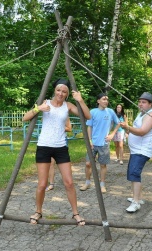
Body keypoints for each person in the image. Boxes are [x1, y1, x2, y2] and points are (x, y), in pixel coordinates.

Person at [22, 78, 91, 225]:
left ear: (67, 94)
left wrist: (81, 100)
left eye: (64, 91)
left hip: (61, 147)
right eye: (59, 90)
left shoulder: (68, 106)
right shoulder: (45, 103)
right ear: (54, 90)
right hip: (44, 146)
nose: (61, 93)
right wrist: (37, 109)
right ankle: (38, 211)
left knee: (69, 183)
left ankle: (75, 213)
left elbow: (87, 116)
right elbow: (25, 118)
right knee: (42, 184)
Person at [120, 92, 152, 213]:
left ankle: (136, 202)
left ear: (150, 104)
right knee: (133, 174)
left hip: (142, 151)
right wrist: (129, 132)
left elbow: (142, 131)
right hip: (136, 150)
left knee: (134, 173)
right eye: (140, 101)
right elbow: (137, 128)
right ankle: (137, 197)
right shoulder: (142, 113)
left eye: (144, 102)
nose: (140, 104)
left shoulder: (151, 115)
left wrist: (127, 127)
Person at [79, 93, 120, 193]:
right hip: (93, 143)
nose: (106, 101)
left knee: (103, 165)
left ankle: (102, 185)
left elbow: (119, 123)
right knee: (88, 164)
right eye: (104, 99)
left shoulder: (110, 112)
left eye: (107, 99)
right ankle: (87, 183)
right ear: (98, 101)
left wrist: (112, 134)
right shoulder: (92, 112)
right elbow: (90, 127)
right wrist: (89, 140)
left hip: (104, 144)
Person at [46, 117, 72, 191]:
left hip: (61, 142)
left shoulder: (64, 114)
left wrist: (57, 127)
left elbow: (69, 128)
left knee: (64, 164)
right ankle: (51, 184)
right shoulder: (48, 114)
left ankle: (68, 181)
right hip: (49, 141)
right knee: (51, 163)